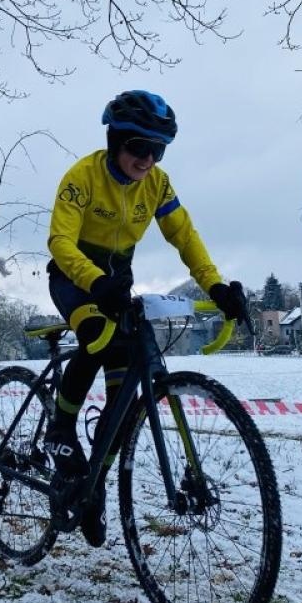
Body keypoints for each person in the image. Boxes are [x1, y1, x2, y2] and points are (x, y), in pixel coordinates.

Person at [46, 91, 249, 547]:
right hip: (75, 279)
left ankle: (92, 482)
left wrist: (215, 286)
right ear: (116, 140)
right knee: (99, 336)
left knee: (126, 382)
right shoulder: (82, 177)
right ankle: (60, 427)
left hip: (116, 282)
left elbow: (185, 236)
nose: (148, 159)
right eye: (140, 147)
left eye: (158, 150)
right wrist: (95, 281)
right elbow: (60, 241)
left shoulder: (157, 184)